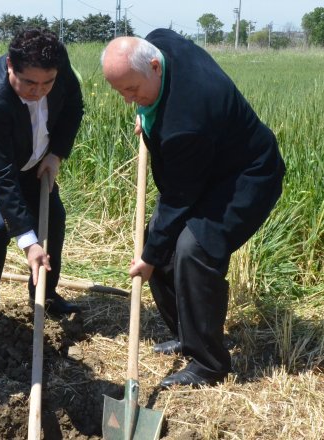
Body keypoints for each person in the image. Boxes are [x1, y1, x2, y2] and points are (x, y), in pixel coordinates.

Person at [101, 30, 285, 388]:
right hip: (208, 166)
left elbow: (179, 197)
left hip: (247, 175)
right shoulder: (159, 44)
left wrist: (150, 256)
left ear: (154, 66)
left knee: (192, 249)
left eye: (132, 90)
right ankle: (189, 336)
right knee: (158, 239)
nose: (128, 101)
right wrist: (146, 111)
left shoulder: (188, 119)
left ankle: (209, 363)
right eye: (121, 91)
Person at [0, 28, 84, 315]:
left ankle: (45, 295)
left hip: (34, 157)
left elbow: (73, 107)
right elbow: (0, 174)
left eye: (48, 83)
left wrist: (56, 154)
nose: (39, 91)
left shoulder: (57, 64)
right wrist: (28, 242)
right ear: (10, 65)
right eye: (30, 83)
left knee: (54, 217)